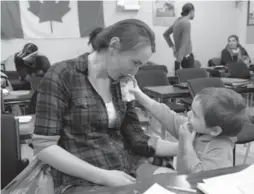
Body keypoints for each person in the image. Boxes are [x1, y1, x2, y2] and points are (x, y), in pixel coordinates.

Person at [32, 19, 178, 194]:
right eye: (135, 62)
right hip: (82, 178)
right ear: (114, 46)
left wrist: (186, 145)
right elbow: (44, 146)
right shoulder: (62, 75)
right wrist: (104, 176)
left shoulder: (121, 81)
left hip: (127, 166)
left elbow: (135, 137)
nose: (135, 72)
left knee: (175, 185)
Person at [130, 84, 248, 174]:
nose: (188, 114)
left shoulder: (221, 150)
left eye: (195, 115)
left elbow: (198, 176)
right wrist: (140, 96)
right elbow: (167, 115)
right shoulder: (197, 130)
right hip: (182, 180)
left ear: (215, 130)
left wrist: (186, 143)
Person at [163, 3, 195, 71]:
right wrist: (179, 61)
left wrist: (172, 46)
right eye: (194, 12)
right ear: (191, 11)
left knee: (181, 78)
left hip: (181, 57)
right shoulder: (186, 23)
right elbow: (184, 43)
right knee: (189, 80)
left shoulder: (178, 21)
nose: (194, 14)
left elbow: (165, 34)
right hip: (186, 58)